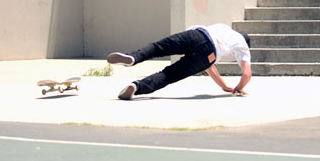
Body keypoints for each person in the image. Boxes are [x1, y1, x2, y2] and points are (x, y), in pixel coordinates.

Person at [107, 23, 251, 100]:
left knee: (157, 48)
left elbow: (210, 69)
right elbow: (246, 75)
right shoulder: (242, 45)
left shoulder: (223, 28)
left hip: (197, 34)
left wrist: (224, 86)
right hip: (209, 54)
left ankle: (133, 58)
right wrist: (237, 88)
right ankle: (137, 86)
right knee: (168, 75)